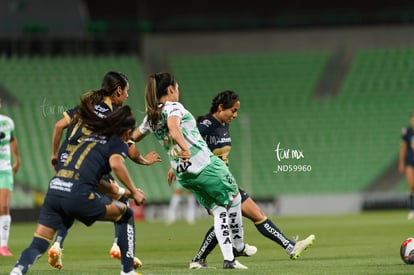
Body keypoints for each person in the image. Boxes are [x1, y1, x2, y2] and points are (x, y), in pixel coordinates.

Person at [132, 72, 256, 269]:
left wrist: (141, 160)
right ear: (171, 90)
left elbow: (132, 139)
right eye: (178, 88)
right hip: (204, 164)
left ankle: (229, 260)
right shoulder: (174, 107)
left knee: (217, 210)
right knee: (234, 197)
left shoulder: (152, 116)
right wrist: (186, 148)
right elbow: (174, 128)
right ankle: (238, 246)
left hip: (183, 173)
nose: (178, 92)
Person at [10, 100, 145, 275]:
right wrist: (134, 192)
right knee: (125, 213)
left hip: (55, 189)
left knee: (39, 243)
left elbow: (96, 181)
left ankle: (17, 271)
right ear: (127, 132)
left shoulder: (87, 138)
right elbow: (117, 165)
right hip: (77, 194)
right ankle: (127, 272)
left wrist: (123, 192)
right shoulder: (117, 142)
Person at [189, 90, 315, 269]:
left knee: (254, 214)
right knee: (225, 219)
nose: (235, 115)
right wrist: (178, 164)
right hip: (211, 183)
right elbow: (187, 143)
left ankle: (289, 246)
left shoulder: (223, 125)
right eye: (233, 110)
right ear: (220, 107)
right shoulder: (206, 124)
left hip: (224, 180)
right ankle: (201, 259)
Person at [49, 71, 160, 270]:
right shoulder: (114, 116)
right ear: (118, 91)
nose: (127, 96)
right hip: (88, 162)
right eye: (126, 92)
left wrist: (55, 155)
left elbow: (58, 126)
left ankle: (57, 244)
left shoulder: (86, 107)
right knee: (124, 202)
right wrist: (144, 161)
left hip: (66, 160)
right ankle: (122, 248)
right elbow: (130, 151)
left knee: (70, 201)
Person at [0, 99, 20, 257]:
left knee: (4, 207)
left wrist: (17, 159)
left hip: (5, 169)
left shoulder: (7, 122)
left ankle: (3, 246)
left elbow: (12, 139)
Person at [399, 112, 414, 219]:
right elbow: (403, 148)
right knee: (412, 185)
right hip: (410, 160)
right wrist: (401, 162)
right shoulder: (407, 132)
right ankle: (412, 209)